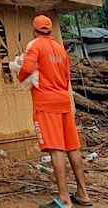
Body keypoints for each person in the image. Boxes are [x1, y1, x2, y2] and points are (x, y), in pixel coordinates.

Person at [18, 15, 92, 208]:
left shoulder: (35, 45)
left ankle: (64, 198)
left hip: (46, 103)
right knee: (72, 146)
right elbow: (67, 76)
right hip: (63, 102)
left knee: (56, 148)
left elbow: (26, 67)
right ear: (49, 30)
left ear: (34, 29)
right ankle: (83, 194)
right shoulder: (60, 48)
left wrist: (20, 74)